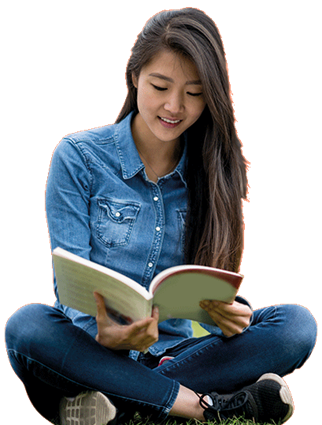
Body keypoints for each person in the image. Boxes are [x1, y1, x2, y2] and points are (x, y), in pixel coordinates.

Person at [5, 8, 317, 425]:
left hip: (175, 354)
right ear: (134, 77)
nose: (175, 106)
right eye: (160, 86)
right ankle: (199, 407)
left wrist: (230, 317)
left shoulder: (213, 173)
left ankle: (115, 408)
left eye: (194, 92)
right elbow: (71, 284)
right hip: (89, 351)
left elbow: (206, 299)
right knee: (28, 325)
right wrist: (103, 336)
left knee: (296, 324)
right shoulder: (78, 157)